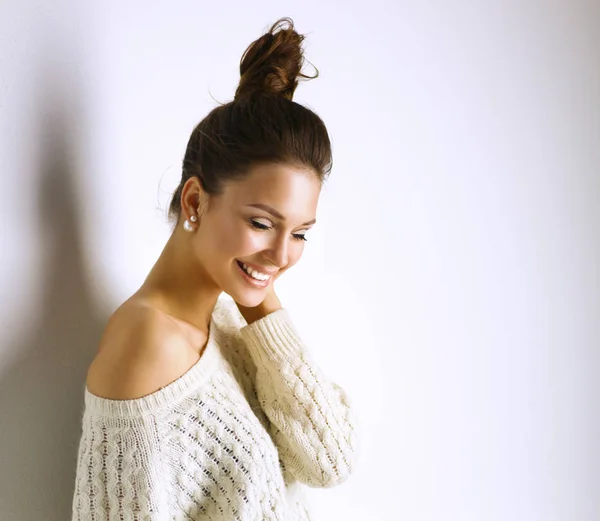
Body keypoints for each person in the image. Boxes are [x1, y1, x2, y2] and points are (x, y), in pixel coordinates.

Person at [70, 16, 358, 521]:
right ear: (195, 200)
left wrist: (258, 287)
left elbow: (328, 459)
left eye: (300, 233)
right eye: (262, 222)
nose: (284, 254)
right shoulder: (148, 343)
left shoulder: (226, 321)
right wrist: (253, 274)